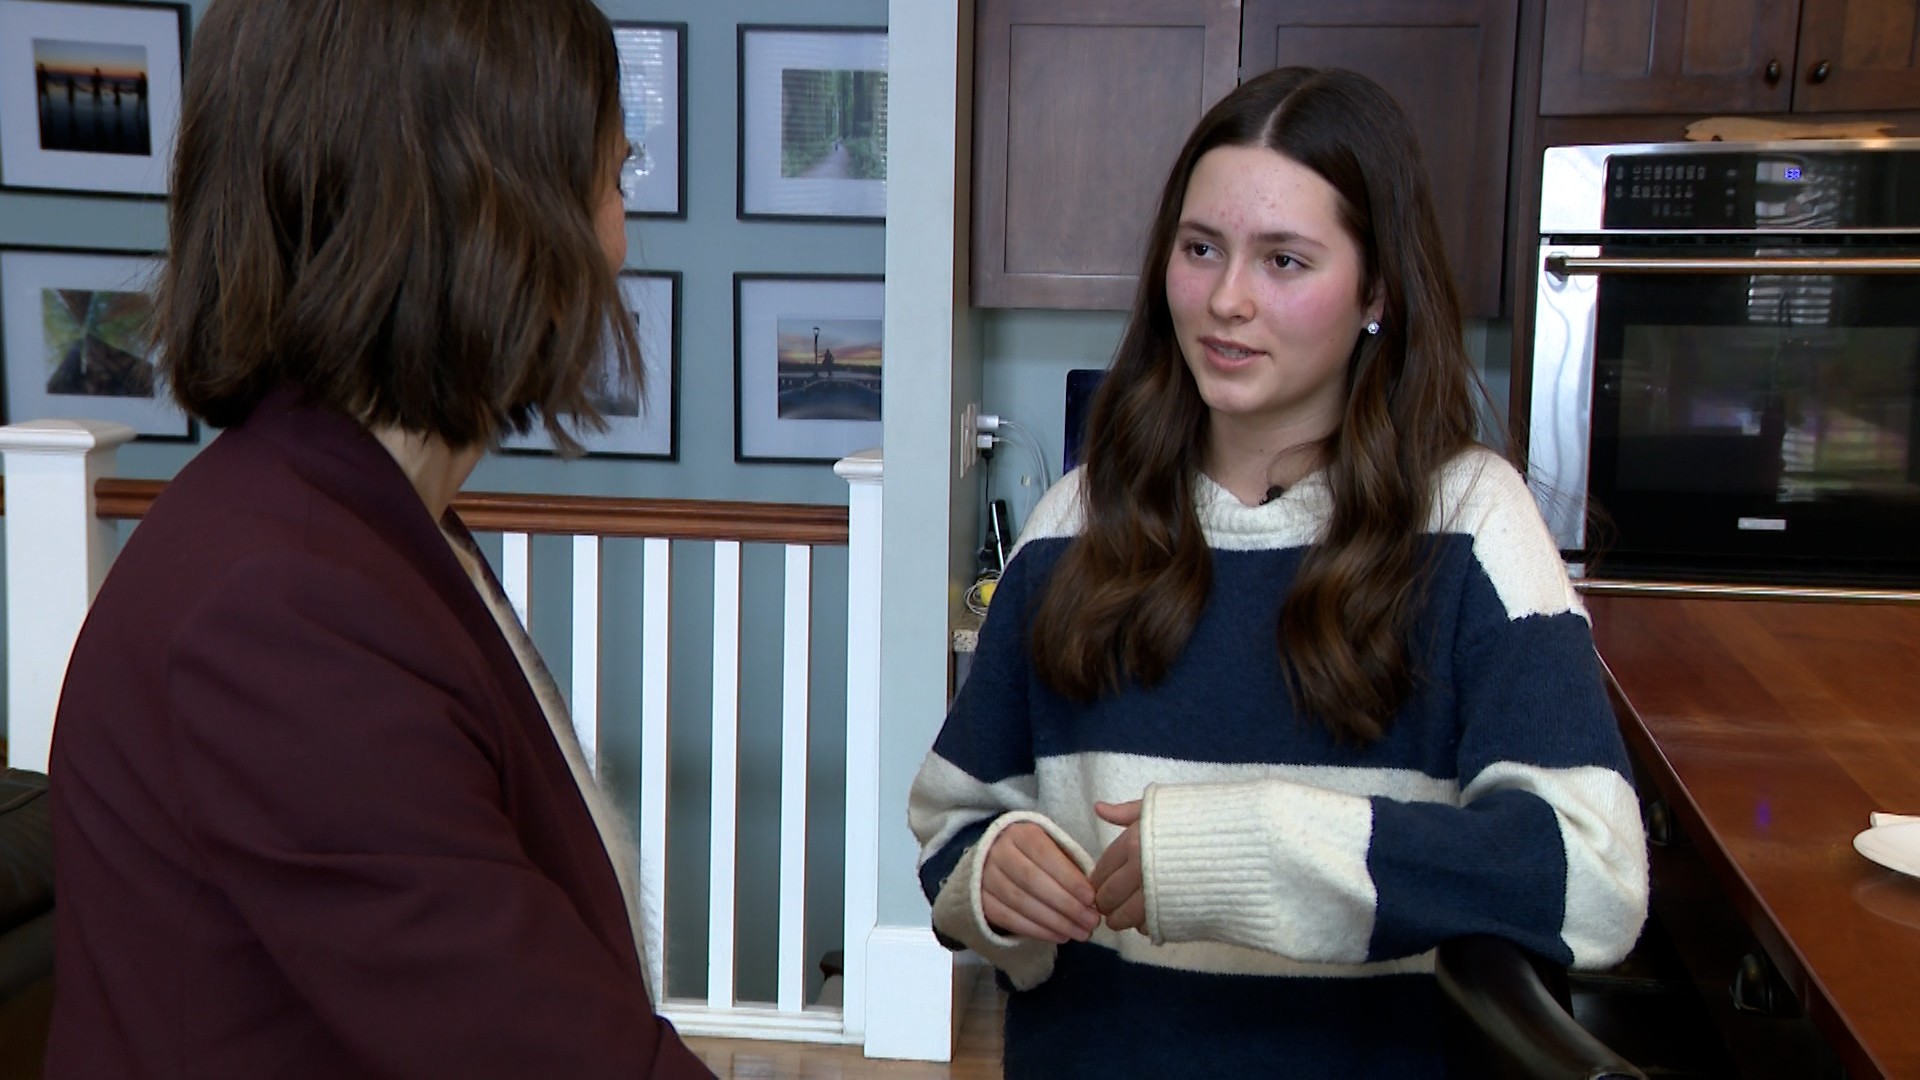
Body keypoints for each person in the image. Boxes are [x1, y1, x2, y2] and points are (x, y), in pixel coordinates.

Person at [908, 66, 1649, 1078]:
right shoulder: (1071, 525)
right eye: (1200, 249)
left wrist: (1263, 849)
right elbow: (953, 820)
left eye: (1285, 260)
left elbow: (1597, 878)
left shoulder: (1474, 524)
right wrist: (992, 873)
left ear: (1377, 291)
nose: (1226, 300)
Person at [47, 0, 710, 1076]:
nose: (616, 241)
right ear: (486, 215)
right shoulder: (283, 608)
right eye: (609, 180)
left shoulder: (361, 526)